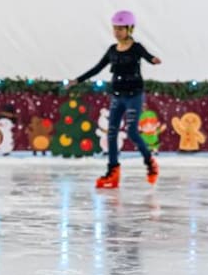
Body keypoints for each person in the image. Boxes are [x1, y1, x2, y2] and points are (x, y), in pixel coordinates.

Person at [69, 10, 163, 188]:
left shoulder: (136, 48)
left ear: (130, 29)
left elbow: (147, 56)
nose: (117, 32)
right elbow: (97, 68)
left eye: (121, 28)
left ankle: (150, 162)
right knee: (111, 133)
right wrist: (78, 80)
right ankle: (112, 172)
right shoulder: (112, 50)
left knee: (132, 132)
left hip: (134, 95)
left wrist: (153, 59)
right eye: (115, 28)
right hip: (117, 96)